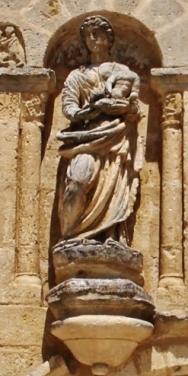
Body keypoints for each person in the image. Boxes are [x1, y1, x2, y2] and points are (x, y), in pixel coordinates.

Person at [57, 16, 141, 244]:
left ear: (109, 38)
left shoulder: (124, 72)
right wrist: (88, 112)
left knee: (114, 186)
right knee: (77, 181)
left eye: (99, 33)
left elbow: (134, 108)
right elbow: (69, 107)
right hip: (86, 136)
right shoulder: (78, 75)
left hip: (116, 136)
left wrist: (126, 108)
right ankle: (71, 237)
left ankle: (109, 238)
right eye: (88, 35)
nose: (93, 38)